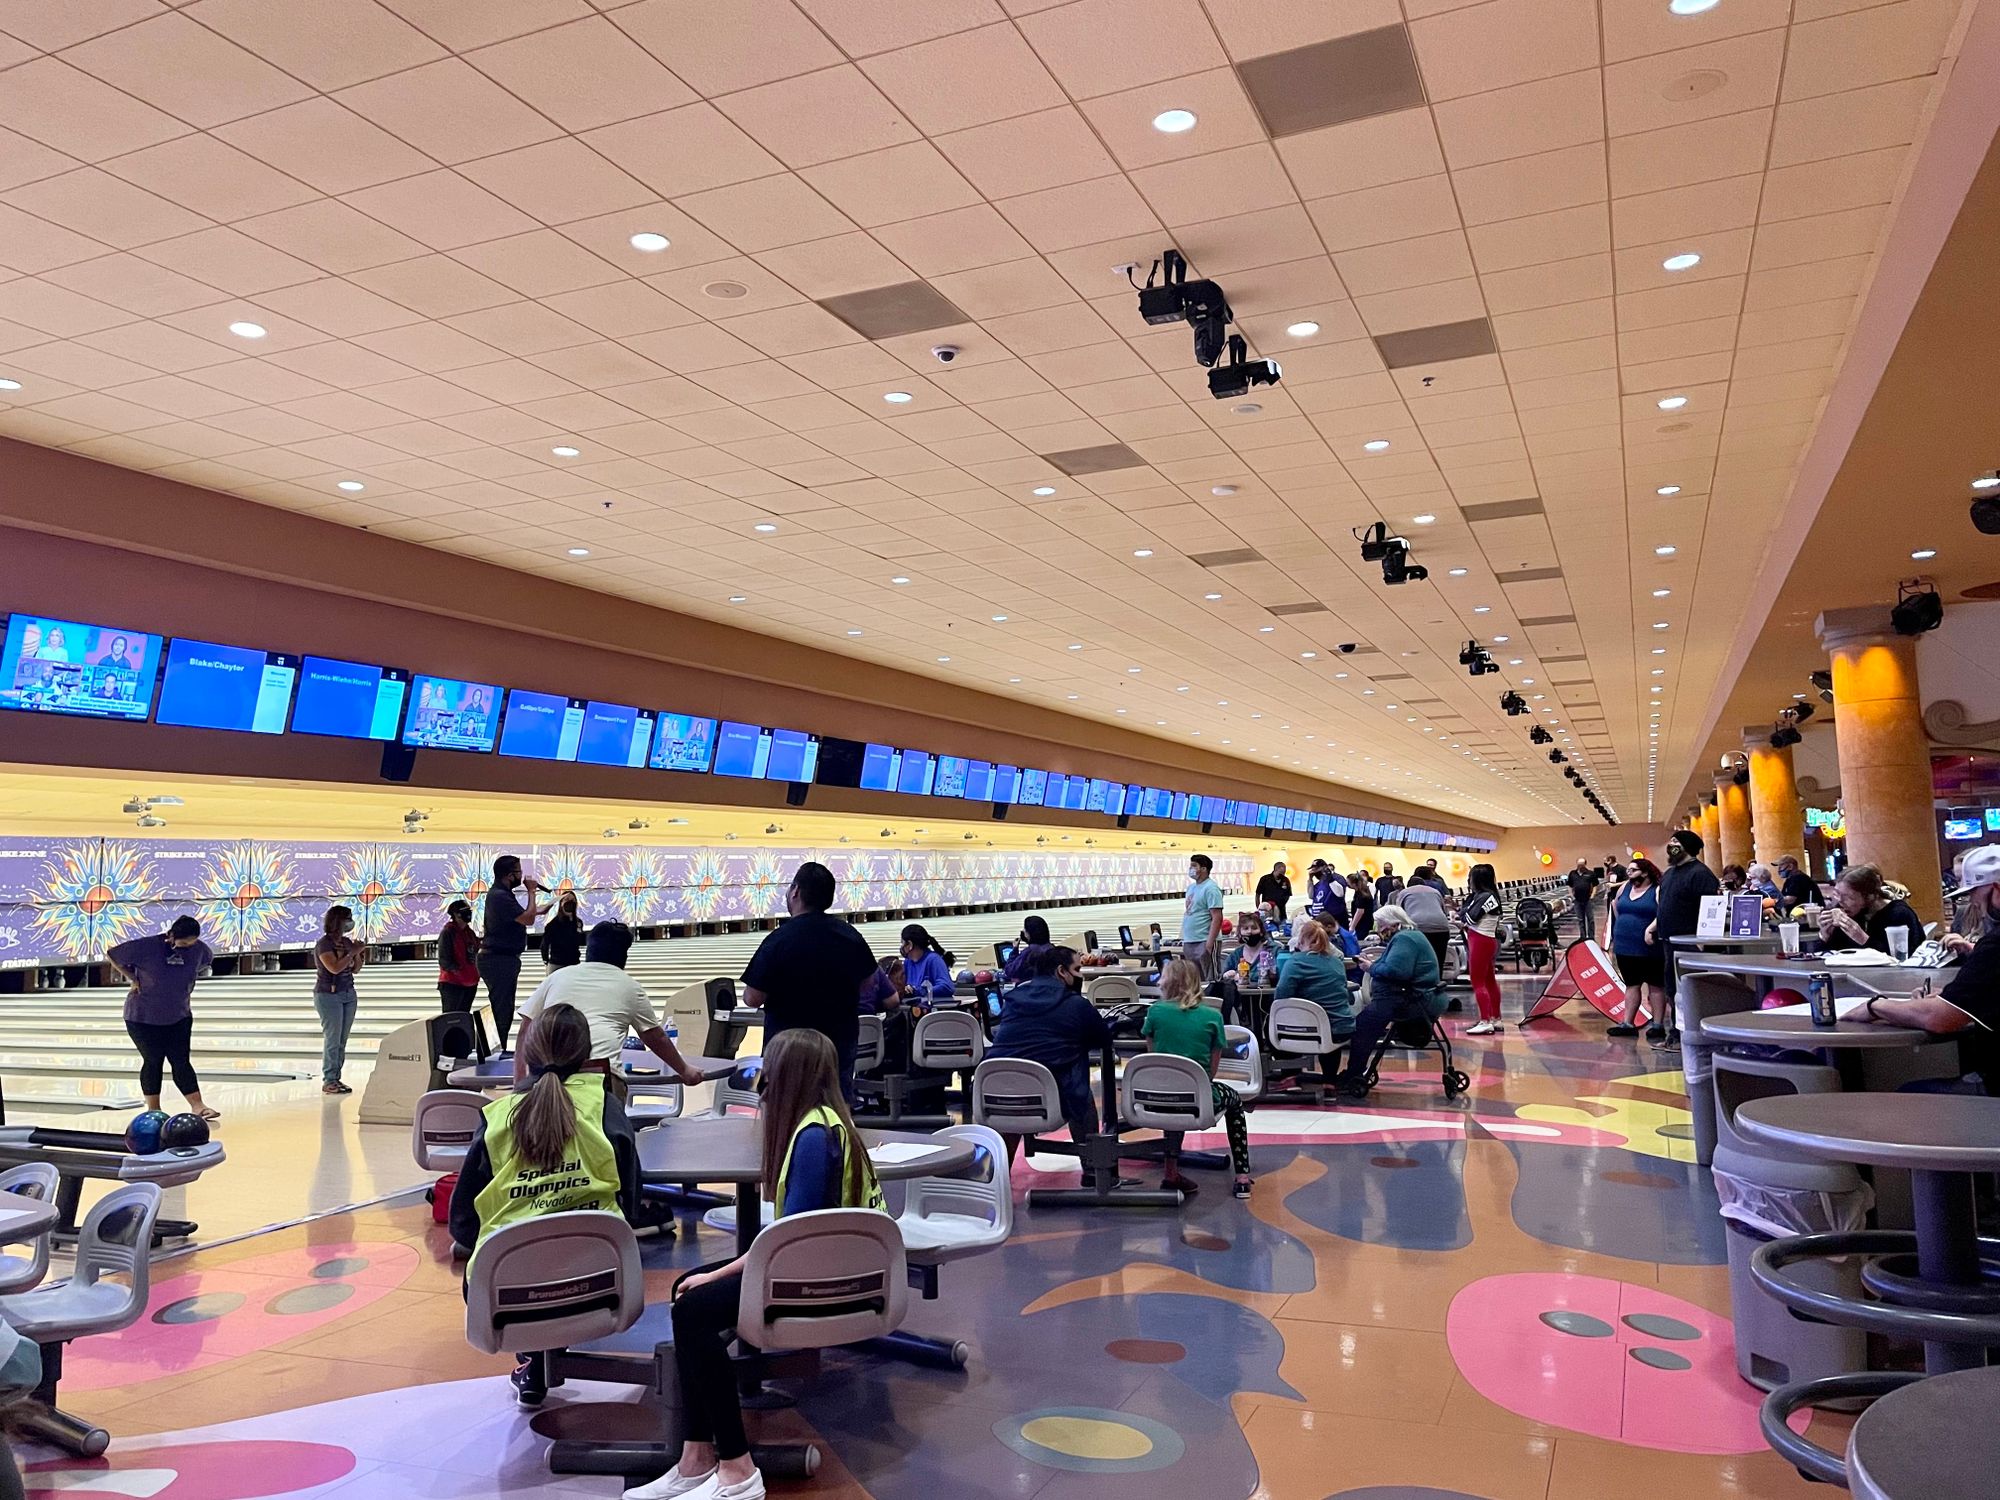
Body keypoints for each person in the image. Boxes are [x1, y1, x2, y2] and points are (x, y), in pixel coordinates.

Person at [625, 1029, 883, 1500]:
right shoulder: (830, 1122)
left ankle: (736, 1467)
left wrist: (716, 1274)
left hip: (810, 1281)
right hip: (831, 1269)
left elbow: (786, 1243)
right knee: (691, 1292)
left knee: (692, 1307)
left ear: (784, 1076)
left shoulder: (812, 1137)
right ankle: (695, 1459)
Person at [448, 1003, 639, 1407]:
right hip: (600, 1283)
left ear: (528, 1054)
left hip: (506, 1294)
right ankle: (543, 1358)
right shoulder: (606, 1108)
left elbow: (463, 1224)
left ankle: (533, 1359)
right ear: (586, 1056)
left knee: (514, 1250)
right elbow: (632, 1207)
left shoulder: (497, 1118)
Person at [1858, 845, 1999, 1093]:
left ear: (1996, 889)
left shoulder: (1994, 944)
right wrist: (1951, 997)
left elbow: (1939, 1019)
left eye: (1974, 892)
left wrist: (1875, 1006)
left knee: (1909, 1093)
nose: (1974, 902)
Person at [740, 862, 878, 1099]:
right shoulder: (849, 935)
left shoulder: (779, 939)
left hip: (787, 1049)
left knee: (785, 1109)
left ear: (795, 891)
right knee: (835, 1107)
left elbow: (753, 998)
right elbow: (869, 984)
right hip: (837, 1046)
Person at [515, 922, 705, 1091]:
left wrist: (520, 1083)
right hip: (600, 1078)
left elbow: (526, 1029)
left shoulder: (557, 977)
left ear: (589, 949)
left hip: (545, 1076)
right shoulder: (630, 986)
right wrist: (685, 1070)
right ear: (624, 955)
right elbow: (655, 1037)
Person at [1141, 959, 1252, 1199]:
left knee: (1172, 1096)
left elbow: (1153, 1057)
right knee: (1234, 1101)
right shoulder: (1212, 1017)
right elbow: (1211, 1072)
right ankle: (1242, 1175)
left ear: (1169, 982)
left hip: (1158, 1099)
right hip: (1199, 1100)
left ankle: (1171, 1171)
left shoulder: (1155, 1012)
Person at [986, 946, 1110, 1146]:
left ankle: (1001, 1163)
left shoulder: (1012, 1001)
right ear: (1061, 971)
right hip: (1050, 1099)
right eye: (1077, 969)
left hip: (996, 1094)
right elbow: (1104, 1039)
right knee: (1078, 1078)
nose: (1080, 976)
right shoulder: (1076, 1004)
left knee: (1014, 1088)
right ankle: (1090, 1159)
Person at [107, 916, 218, 1120]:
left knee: (181, 1061)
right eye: (183, 943)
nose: (187, 947)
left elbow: (203, 963)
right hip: (142, 1017)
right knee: (153, 1060)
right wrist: (133, 978)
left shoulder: (200, 950)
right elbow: (113, 954)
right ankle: (154, 1110)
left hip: (179, 1015)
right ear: (172, 935)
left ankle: (198, 1106)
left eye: (191, 943)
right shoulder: (147, 946)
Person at [1334, 905, 1443, 1096]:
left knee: (1362, 1027)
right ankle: (1355, 1071)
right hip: (1411, 996)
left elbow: (1397, 971)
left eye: (1380, 924)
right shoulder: (1409, 937)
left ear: (1392, 924)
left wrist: (1370, 968)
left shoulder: (1404, 939)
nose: (1378, 929)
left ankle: (1353, 1074)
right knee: (1366, 1023)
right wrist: (1374, 964)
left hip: (1410, 999)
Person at [1646, 829, 1720, 1044]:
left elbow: (1711, 908)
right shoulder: (1670, 874)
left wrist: (1704, 940)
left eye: (1676, 842)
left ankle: (1694, 1035)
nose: (1671, 846)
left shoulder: (1700, 874)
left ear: (1687, 847)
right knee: (1673, 989)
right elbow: (1665, 905)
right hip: (1669, 941)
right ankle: (1677, 1033)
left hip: (1690, 943)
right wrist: (1653, 927)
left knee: (1690, 990)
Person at [480, 855, 546, 1052]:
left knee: (503, 1008)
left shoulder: (502, 894)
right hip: (498, 960)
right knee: (502, 1010)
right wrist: (532, 891)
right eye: (519, 872)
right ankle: (493, 1054)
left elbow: (524, 915)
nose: (522, 876)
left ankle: (496, 1051)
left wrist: (540, 909)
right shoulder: (500, 896)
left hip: (500, 959)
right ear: (509, 875)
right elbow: (528, 919)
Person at [1605, 858, 1664, 1040]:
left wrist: (1650, 928)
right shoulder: (1625, 888)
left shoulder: (1657, 890)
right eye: (1628, 870)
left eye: (1633, 870)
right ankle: (1628, 1023)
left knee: (1655, 985)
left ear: (1645, 872)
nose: (1629, 873)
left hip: (1649, 946)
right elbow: (1616, 906)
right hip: (1625, 945)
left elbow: (1663, 912)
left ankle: (1658, 1025)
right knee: (1631, 984)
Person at [313, 904, 364, 1096]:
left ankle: (336, 1078)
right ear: (338, 921)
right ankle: (329, 1080)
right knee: (332, 1040)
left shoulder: (347, 942)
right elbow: (334, 968)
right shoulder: (324, 944)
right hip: (328, 995)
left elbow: (355, 969)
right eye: (347, 918)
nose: (351, 922)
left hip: (348, 994)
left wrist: (357, 953)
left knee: (342, 1040)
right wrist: (352, 952)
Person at [1272, 919, 1355, 1037]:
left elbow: (1281, 996)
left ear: (1300, 940)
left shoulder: (1295, 962)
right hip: (1343, 1027)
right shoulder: (1337, 962)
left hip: (1311, 1029)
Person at [1817, 864, 1924, 954]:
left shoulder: (1899, 914)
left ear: (1869, 896)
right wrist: (1825, 936)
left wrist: (1863, 938)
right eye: (1837, 894)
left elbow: (1902, 957)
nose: (1840, 901)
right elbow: (1829, 955)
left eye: (1849, 897)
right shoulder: (1849, 912)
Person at [1460, 864, 1503, 1036]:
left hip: (1480, 941)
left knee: (1478, 981)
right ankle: (1495, 1018)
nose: (1469, 881)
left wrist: (1463, 909)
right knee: (1489, 980)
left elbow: (1469, 918)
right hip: (1487, 940)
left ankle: (1485, 1020)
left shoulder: (1484, 896)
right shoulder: (1491, 895)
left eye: (1470, 878)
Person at [1216, 910, 1278, 1026]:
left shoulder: (1272, 950)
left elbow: (1276, 974)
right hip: (1242, 1005)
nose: (1250, 932)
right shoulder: (1236, 954)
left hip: (1268, 1003)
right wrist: (1227, 975)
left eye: (1254, 928)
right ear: (1240, 932)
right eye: (1245, 929)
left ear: (1261, 931)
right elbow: (1222, 978)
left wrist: (1242, 976)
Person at [1181, 854, 1225, 979]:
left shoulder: (1211, 888)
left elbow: (1217, 917)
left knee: (1210, 979)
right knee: (1194, 980)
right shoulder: (1191, 888)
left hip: (1204, 940)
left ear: (1204, 869)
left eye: (1194, 866)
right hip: (1190, 940)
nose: (1190, 869)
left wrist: (1209, 944)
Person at [1398, 877, 1452, 979]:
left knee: (1417, 960)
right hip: (1441, 927)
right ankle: (1437, 983)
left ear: (1408, 885)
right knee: (1438, 960)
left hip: (1417, 928)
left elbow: (1398, 913)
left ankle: (1419, 984)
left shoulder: (1404, 892)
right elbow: (1444, 911)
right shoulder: (1435, 892)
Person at [438, 898, 481, 1014]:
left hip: (470, 984)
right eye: (465, 911)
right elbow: (444, 960)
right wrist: (458, 971)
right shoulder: (448, 932)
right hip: (452, 984)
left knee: (463, 1017)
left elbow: (476, 950)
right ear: (456, 914)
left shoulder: (469, 932)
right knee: (452, 1018)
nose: (469, 913)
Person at [897, 924, 955, 1004]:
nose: (901, 946)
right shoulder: (908, 962)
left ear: (910, 944)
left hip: (932, 1008)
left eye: (902, 943)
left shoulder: (933, 959)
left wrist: (920, 991)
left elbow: (947, 987)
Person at [539, 891, 584, 971]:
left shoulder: (578, 922)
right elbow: (544, 944)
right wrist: (546, 960)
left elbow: (578, 941)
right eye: (567, 899)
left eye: (572, 900)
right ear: (561, 903)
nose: (570, 902)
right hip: (557, 963)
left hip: (574, 963)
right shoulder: (553, 924)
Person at [1003, 915, 1051, 982]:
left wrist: (1014, 950)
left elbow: (1010, 971)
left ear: (1030, 933)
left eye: (1025, 928)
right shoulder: (1051, 948)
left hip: (1031, 987)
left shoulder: (1029, 952)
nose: (1023, 930)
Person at [1565, 859, 1601, 945]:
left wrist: (1592, 895)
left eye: (1581, 864)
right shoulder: (1572, 873)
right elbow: (1569, 886)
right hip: (1577, 900)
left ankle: (1591, 937)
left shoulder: (1590, 873)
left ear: (1585, 864)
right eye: (1579, 864)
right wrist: (1571, 896)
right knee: (1580, 919)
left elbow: (1595, 885)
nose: (1580, 866)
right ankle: (1583, 936)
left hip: (1588, 899)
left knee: (1590, 919)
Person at [1348, 873, 1377, 940]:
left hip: (1363, 924)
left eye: (1348, 882)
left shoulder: (1361, 895)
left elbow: (1360, 911)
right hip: (1364, 922)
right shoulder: (1360, 892)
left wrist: (1352, 926)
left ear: (1354, 884)